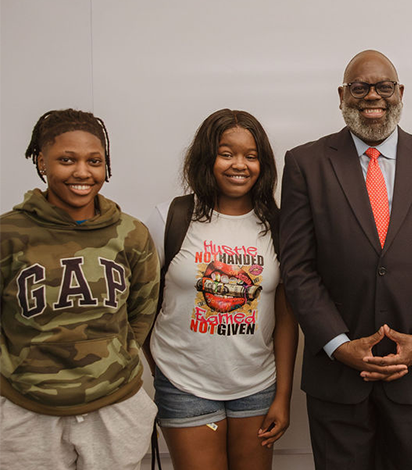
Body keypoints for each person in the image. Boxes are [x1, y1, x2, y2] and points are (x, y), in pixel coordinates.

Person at [279, 50, 412, 470]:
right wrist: (337, 345)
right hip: (337, 377)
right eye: (360, 87)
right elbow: (297, 269)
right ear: (343, 94)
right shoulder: (305, 164)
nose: (372, 96)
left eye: (383, 87)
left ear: (399, 92)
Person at [0, 109, 159, 469]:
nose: (82, 172)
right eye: (66, 160)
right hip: (26, 413)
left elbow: (141, 312)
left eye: (94, 161)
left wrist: (116, 360)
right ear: (42, 161)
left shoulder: (131, 234)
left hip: (114, 406)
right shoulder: (7, 234)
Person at [145, 109, 297, 470]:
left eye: (251, 155)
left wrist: (283, 395)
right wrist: (162, 369)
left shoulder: (277, 225)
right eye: (226, 153)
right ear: (206, 157)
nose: (238, 165)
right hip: (184, 386)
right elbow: (143, 307)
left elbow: (287, 319)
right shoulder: (170, 217)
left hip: (257, 386)